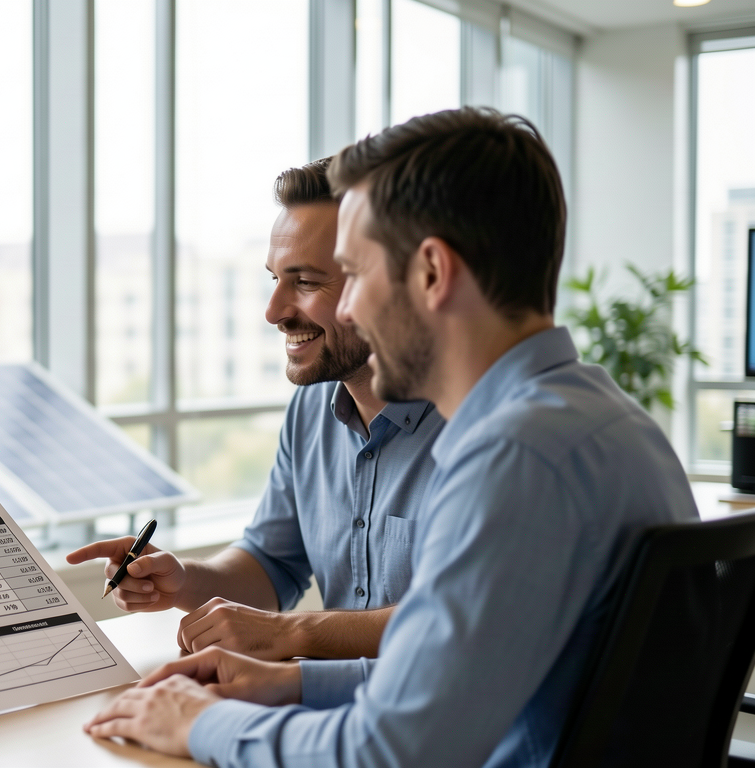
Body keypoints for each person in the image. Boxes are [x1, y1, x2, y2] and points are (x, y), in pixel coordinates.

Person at [84, 107, 699, 767]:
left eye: (357, 272)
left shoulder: (514, 457)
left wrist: (201, 727)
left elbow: (391, 750)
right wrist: (288, 682)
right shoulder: (599, 421)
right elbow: (460, 677)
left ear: (432, 273)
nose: (349, 308)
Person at [67, 159, 444, 661]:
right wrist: (181, 581)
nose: (274, 311)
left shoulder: (476, 424)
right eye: (274, 279)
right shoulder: (312, 409)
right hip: (343, 711)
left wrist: (291, 637)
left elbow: (460, 618)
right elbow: (271, 564)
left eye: (306, 282)